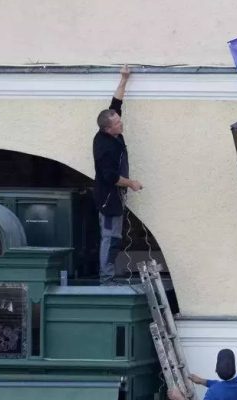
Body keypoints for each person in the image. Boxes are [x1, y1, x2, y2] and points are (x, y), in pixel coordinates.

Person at [93, 65, 143, 285]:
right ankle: (107, 279)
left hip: (116, 196)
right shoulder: (105, 147)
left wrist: (123, 79)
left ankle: (109, 275)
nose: (121, 123)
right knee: (110, 238)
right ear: (107, 129)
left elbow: (116, 104)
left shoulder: (112, 129)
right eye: (117, 123)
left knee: (115, 236)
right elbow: (110, 177)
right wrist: (131, 183)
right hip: (108, 198)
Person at [168, 349, 237, 400]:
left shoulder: (213, 392)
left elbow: (221, 387)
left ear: (216, 369)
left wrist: (179, 398)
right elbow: (225, 386)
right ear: (234, 364)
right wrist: (202, 381)